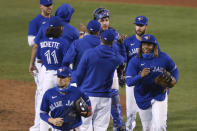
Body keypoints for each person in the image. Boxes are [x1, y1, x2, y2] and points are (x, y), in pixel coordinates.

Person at [72, 29, 125, 131]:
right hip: (105, 98)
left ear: (100, 38)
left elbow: (79, 74)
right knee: (100, 128)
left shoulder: (89, 53)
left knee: (85, 127)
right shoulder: (115, 57)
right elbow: (123, 60)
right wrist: (121, 46)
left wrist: (79, 88)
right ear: (113, 41)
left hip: (87, 96)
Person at [125, 34, 179, 131]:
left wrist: (173, 80)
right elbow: (129, 82)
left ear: (154, 46)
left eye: (149, 44)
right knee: (147, 128)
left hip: (159, 94)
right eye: (144, 44)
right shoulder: (135, 61)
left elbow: (175, 70)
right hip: (142, 96)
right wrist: (140, 76)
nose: (146, 47)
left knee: (160, 127)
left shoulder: (163, 57)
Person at [29, 16, 70, 131]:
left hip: (47, 77)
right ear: (60, 28)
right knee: (60, 106)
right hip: (60, 77)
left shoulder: (42, 42)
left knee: (44, 108)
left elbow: (40, 60)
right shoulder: (63, 42)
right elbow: (66, 61)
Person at [93, 8, 126, 131]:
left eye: (106, 20)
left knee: (113, 95)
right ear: (96, 21)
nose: (105, 23)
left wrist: (121, 70)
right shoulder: (92, 35)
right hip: (95, 74)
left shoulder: (114, 34)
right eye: (102, 20)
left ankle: (118, 124)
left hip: (111, 72)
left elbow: (120, 56)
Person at [40, 66, 92, 131]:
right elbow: (42, 113)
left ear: (69, 79)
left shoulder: (77, 91)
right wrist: (52, 120)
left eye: (63, 77)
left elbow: (88, 102)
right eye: (58, 76)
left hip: (75, 128)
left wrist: (89, 111)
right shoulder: (49, 93)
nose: (60, 79)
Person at [28, 0, 53, 130]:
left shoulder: (54, 20)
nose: (49, 7)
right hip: (40, 63)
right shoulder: (35, 22)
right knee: (41, 93)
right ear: (41, 6)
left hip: (51, 62)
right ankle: (37, 126)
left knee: (49, 93)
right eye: (47, 5)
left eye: (51, 4)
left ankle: (49, 123)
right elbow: (32, 42)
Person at [124, 16, 148, 131]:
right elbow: (123, 59)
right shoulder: (128, 41)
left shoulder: (151, 41)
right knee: (130, 110)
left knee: (146, 109)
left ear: (146, 27)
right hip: (133, 80)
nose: (138, 28)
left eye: (141, 25)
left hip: (146, 81)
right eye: (137, 25)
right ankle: (129, 128)